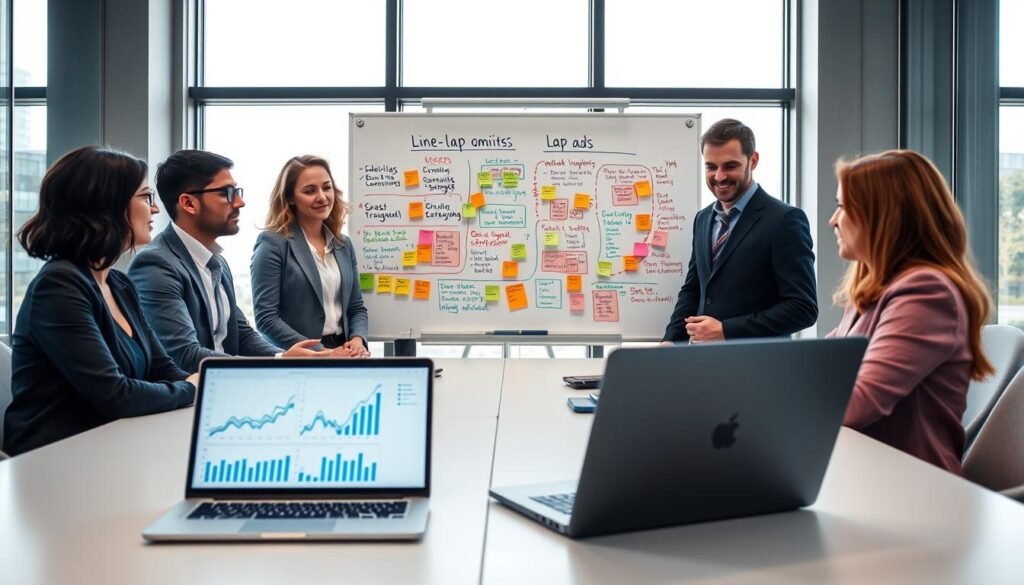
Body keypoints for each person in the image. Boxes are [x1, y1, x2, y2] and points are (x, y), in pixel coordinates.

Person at [4, 146, 196, 455]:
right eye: (146, 197)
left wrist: (202, 386)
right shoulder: (59, 286)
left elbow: (162, 367)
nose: (155, 209)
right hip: (55, 458)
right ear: (108, 205)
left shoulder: (119, 284)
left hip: (111, 445)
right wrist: (191, 388)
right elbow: (114, 395)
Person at [827, 149, 993, 475]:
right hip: (865, 471)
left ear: (882, 217)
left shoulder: (927, 292)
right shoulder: (870, 290)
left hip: (912, 485)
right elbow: (817, 366)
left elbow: (856, 402)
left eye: (843, 207)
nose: (833, 220)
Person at [129, 150, 336, 373]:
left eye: (237, 191)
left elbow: (242, 334)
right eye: (227, 193)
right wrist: (272, 365)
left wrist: (282, 357)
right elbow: (185, 354)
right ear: (188, 203)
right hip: (190, 390)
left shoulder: (216, 261)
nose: (240, 202)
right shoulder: (155, 264)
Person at [662, 119, 817, 343]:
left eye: (730, 166)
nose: (719, 176)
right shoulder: (703, 219)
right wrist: (670, 340)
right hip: (702, 359)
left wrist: (726, 330)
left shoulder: (784, 220)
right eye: (711, 167)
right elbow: (694, 289)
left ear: (753, 161)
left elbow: (803, 308)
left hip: (757, 362)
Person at [251, 155, 369, 355]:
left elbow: (356, 307)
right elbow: (266, 318)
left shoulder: (343, 244)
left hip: (344, 352)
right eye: (309, 191)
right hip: (301, 356)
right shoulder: (272, 243)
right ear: (290, 198)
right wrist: (323, 354)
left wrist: (357, 340)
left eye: (327, 187)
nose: (322, 197)